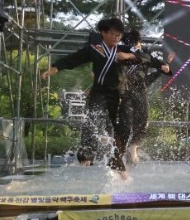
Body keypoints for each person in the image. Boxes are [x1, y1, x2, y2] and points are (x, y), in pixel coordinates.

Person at [40, 17, 151, 180]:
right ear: (103, 33)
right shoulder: (94, 49)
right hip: (100, 93)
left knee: (123, 130)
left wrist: (127, 56)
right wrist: (54, 68)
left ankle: (117, 164)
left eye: (119, 35)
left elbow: (147, 57)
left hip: (119, 95)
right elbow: (73, 59)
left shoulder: (123, 49)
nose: (116, 38)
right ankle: (86, 156)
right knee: (93, 118)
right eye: (112, 34)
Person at [118, 29, 174, 164]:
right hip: (124, 90)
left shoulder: (145, 53)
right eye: (132, 44)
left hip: (139, 88)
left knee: (143, 119)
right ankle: (120, 152)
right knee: (125, 124)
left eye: (137, 43)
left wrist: (165, 65)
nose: (136, 46)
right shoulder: (121, 51)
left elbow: (155, 63)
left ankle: (133, 146)